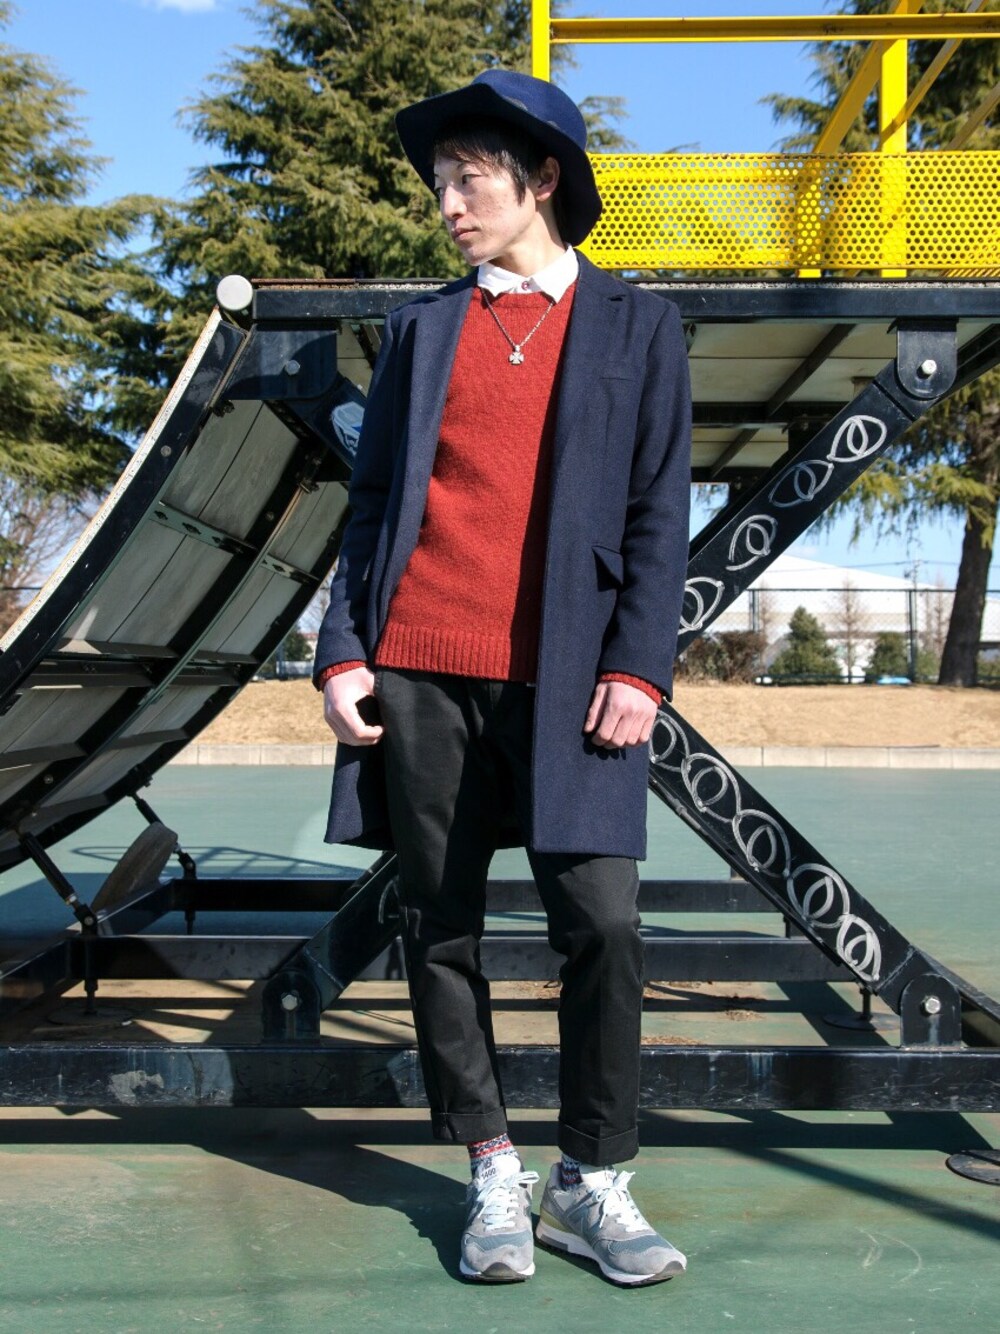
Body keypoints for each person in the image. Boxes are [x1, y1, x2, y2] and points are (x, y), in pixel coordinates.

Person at [314, 69, 691, 1287]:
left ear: (541, 182)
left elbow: (659, 513)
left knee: (604, 922)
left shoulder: (637, 325)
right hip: (421, 666)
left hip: (573, 678)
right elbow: (373, 505)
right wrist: (341, 648)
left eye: (467, 181)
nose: (448, 206)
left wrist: (638, 663)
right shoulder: (421, 330)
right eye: (439, 185)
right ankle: (490, 1165)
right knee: (441, 926)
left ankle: (591, 1179)